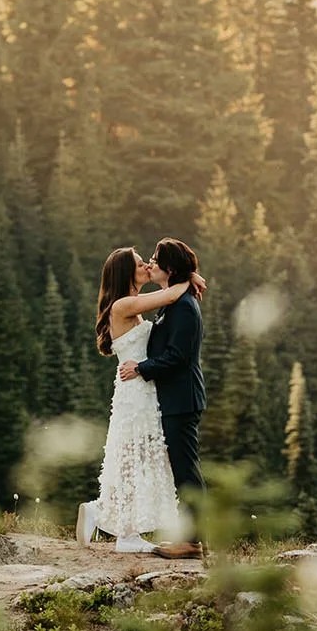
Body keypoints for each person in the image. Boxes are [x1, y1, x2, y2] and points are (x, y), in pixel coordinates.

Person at [76, 246, 205, 554]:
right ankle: (124, 530)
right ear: (125, 272)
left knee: (138, 458)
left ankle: (105, 513)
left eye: (150, 262)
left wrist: (185, 277)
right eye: (139, 263)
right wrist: (188, 277)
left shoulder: (136, 306)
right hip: (137, 392)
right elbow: (171, 296)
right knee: (137, 458)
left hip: (147, 390)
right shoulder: (124, 305)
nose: (147, 265)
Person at [119, 236, 205, 561]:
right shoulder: (175, 302)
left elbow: (177, 357)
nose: (151, 263)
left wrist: (140, 368)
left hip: (182, 400)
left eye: (155, 258)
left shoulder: (183, 307)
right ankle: (189, 537)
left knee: (186, 471)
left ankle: (193, 540)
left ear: (169, 267)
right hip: (174, 399)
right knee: (182, 469)